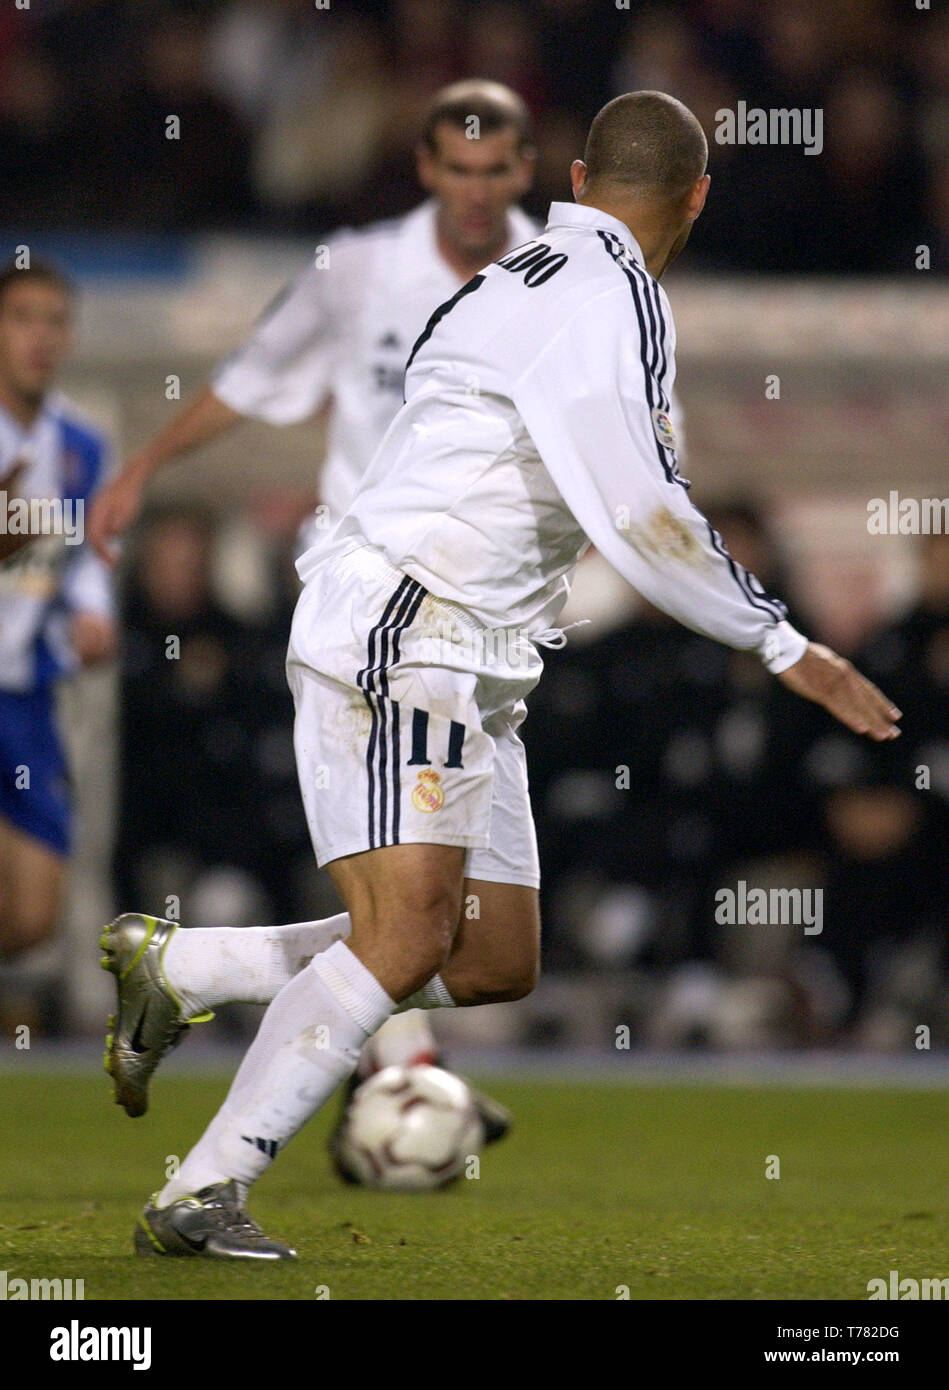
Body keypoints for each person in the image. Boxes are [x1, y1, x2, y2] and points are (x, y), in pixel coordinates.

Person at [106, 90, 901, 1260]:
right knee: (409, 931)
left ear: (575, 180)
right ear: (696, 197)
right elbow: (639, 511)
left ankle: (184, 961)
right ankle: (202, 1188)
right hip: (412, 628)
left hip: (468, 651)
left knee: (487, 956)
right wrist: (784, 643)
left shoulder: (510, 281)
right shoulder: (613, 300)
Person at [91, 79, 538, 1166]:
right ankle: (360, 1091)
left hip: (486, 625)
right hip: (372, 615)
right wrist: (148, 464)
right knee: (411, 902)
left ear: (523, 172)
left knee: (482, 944)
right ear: (425, 169)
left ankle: (192, 971)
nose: (476, 191)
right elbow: (253, 376)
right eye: (457, 168)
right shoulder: (357, 269)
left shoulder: (555, 281)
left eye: (496, 170)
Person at [0, 260, 115, 963]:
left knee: (37, 915)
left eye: (54, 320)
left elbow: (91, 551)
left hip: (32, 698)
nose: (40, 336)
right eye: (21, 318)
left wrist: (91, 611)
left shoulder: (81, 445)